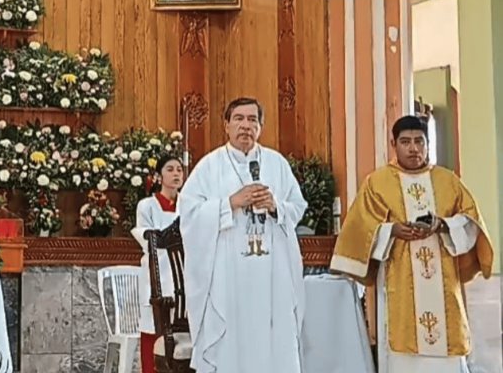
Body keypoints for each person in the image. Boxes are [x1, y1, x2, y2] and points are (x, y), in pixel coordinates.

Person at [331, 116, 494, 373]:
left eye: (419, 141)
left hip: (443, 282)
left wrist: (442, 225)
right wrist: (390, 231)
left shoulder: (448, 181)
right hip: (398, 281)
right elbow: (359, 229)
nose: (413, 148)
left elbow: (471, 222)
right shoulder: (377, 182)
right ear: (393, 144)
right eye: (405, 142)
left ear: (428, 144)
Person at [178, 97, 307, 373]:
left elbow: (297, 206)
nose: (245, 126)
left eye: (252, 120)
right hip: (229, 276)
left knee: (275, 341)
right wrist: (229, 203)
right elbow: (188, 214)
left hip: (272, 274)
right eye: (239, 119)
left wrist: (275, 207)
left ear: (260, 127)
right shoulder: (209, 166)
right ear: (226, 125)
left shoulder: (277, 163)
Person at [130, 156, 184, 373]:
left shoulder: (188, 204)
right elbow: (146, 237)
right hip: (158, 274)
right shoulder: (147, 206)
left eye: (179, 169)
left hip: (182, 277)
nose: (176, 173)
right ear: (160, 176)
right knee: (153, 329)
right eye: (170, 169)